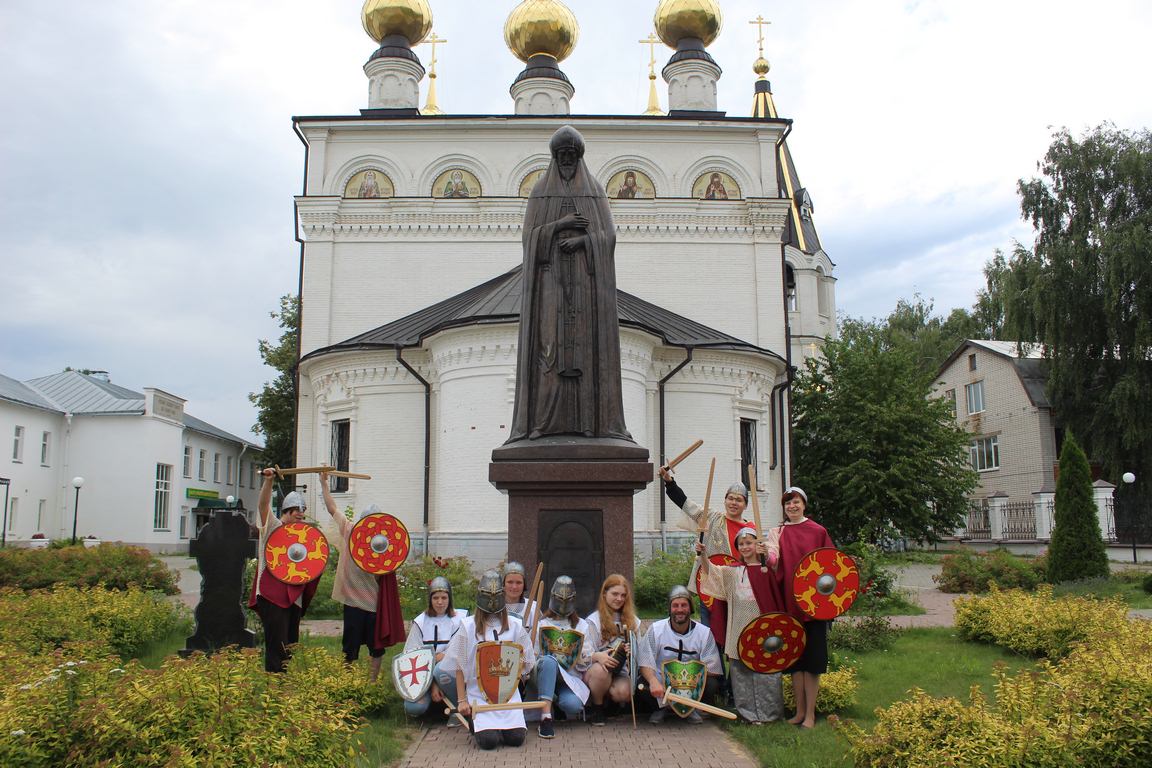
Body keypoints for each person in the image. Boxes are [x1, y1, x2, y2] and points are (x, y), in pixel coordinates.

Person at [506, 125, 631, 442]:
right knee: (549, 351)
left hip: (585, 288)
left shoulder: (595, 192)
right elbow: (529, 239)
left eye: (572, 155)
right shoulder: (539, 193)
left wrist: (582, 242)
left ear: (579, 157)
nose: (566, 161)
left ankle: (590, 422)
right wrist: (561, 225)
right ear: (554, 157)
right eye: (561, 155)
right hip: (551, 286)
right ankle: (542, 422)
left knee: (586, 352)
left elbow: (608, 236)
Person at [699, 526, 787, 724]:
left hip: (763, 629)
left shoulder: (767, 570)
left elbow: (779, 586)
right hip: (739, 628)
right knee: (741, 673)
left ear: (757, 544)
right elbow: (711, 572)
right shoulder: (732, 573)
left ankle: (770, 714)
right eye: (741, 544)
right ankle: (747, 715)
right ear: (737, 548)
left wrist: (768, 557)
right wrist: (703, 554)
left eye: (749, 543)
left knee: (766, 670)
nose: (746, 547)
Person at [440, 570, 535, 750]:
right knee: (489, 742)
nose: (492, 600)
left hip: (508, 696)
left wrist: (517, 681)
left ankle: (508, 724)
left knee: (515, 739)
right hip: (479, 695)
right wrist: (462, 701)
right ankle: (477, 723)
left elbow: (526, 662)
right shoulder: (467, 626)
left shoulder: (515, 625)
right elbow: (459, 664)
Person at [765, 486, 834, 729]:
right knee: (796, 662)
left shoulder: (818, 531)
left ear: (804, 504)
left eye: (796, 502)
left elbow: (831, 564)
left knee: (812, 663)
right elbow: (773, 558)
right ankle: (799, 711)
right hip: (790, 605)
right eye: (787, 503)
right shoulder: (778, 532)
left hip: (814, 607)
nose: (792, 506)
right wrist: (770, 559)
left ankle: (811, 715)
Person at [658, 467, 749, 644]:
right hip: (710, 586)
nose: (733, 502)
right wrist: (669, 482)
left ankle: (733, 672)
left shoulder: (750, 530)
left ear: (745, 504)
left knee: (734, 639)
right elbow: (685, 503)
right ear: (725, 501)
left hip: (737, 589)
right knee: (710, 638)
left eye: (738, 500)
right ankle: (715, 671)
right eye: (730, 498)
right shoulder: (712, 517)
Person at [248, 468, 320, 673]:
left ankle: (283, 684)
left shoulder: (302, 535)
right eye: (296, 509)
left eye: (302, 509)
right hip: (272, 596)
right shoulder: (273, 527)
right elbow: (263, 506)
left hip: (292, 598)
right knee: (276, 644)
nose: (300, 513)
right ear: (285, 511)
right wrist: (269, 482)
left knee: (289, 645)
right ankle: (274, 689)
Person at [318, 473, 387, 679]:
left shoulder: (384, 543)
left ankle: (372, 682)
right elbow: (332, 509)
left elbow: (385, 572)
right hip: (353, 602)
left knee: (376, 646)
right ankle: (347, 681)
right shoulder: (349, 531)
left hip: (373, 603)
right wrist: (324, 483)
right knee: (350, 646)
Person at [637, 585, 722, 724]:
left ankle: (691, 708)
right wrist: (653, 682)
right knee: (642, 684)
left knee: (711, 684)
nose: (680, 610)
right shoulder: (656, 630)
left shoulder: (704, 633)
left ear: (690, 608)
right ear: (669, 608)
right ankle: (660, 708)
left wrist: (688, 682)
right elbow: (645, 661)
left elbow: (713, 669)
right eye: (675, 606)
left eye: (684, 605)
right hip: (662, 681)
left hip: (691, 682)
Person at [533, 576, 592, 739]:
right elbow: (534, 656)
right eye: (560, 598)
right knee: (549, 661)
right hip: (545, 673)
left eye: (568, 599)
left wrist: (580, 656)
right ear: (553, 598)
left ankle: (555, 701)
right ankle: (546, 718)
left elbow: (587, 660)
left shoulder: (581, 625)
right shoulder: (542, 624)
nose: (564, 602)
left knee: (572, 705)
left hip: (569, 678)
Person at [402, 576, 464, 723]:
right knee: (414, 707)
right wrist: (432, 685)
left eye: (444, 597)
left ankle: (457, 709)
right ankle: (432, 707)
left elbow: (455, 655)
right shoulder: (420, 622)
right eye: (436, 598)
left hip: (449, 674)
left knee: (443, 670)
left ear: (450, 599)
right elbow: (410, 657)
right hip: (425, 675)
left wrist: (437, 680)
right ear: (430, 599)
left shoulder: (459, 621)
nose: (440, 602)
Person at [582, 573, 640, 724]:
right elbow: (585, 652)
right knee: (601, 671)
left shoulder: (633, 622)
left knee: (624, 692)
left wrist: (632, 651)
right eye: (615, 594)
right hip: (597, 673)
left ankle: (612, 703)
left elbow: (640, 652)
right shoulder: (593, 621)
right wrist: (598, 656)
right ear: (604, 593)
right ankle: (598, 707)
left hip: (620, 672)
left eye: (623, 595)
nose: (619, 599)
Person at [502, 561, 537, 627]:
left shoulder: (534, 608)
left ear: (524, 584)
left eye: (518, 582)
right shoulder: (495, 608)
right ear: (503, 584)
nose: (514, 587)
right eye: (510, 582)